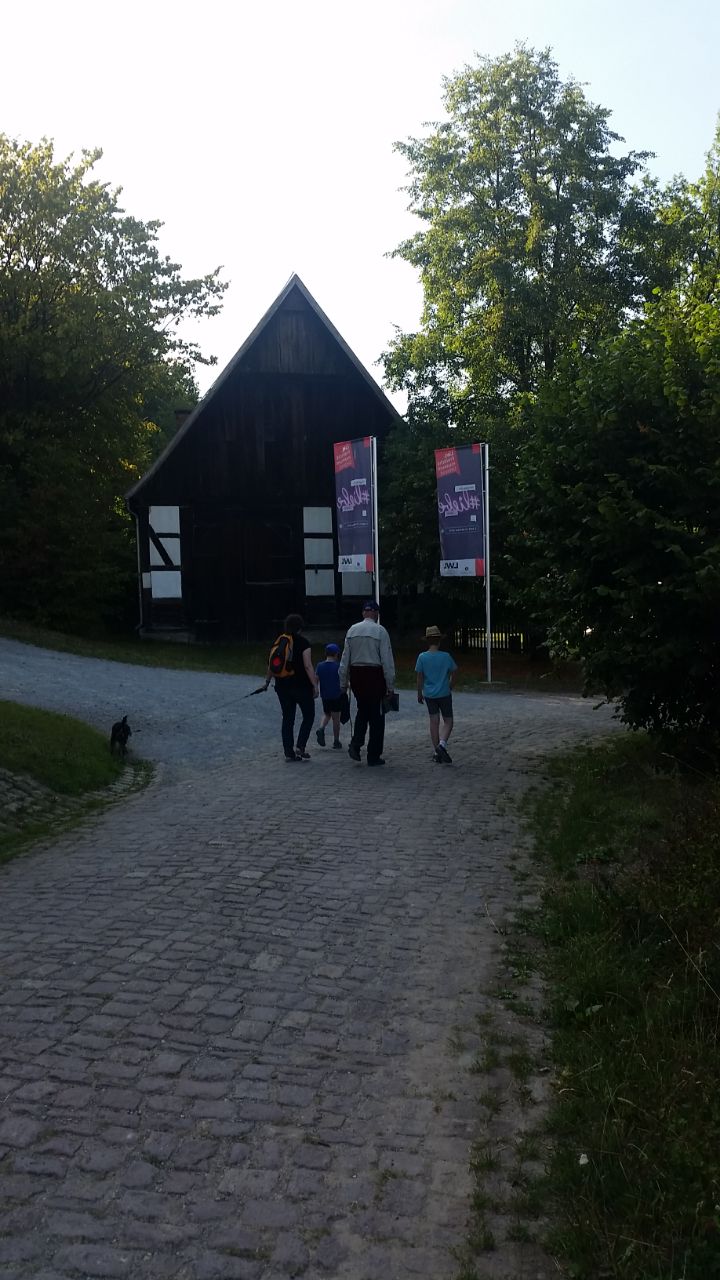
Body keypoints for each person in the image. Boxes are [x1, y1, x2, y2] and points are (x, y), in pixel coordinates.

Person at [339, 600, 396, 767]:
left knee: (363, 710)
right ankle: (373, 754)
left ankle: (356, 743)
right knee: (377, 716)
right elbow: (387, 660)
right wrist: (390, 685)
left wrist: (343, 682)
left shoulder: (352, 630)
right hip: (375, 675)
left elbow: (344, 659)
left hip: (357, 675)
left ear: (363, 613)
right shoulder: (380, 631)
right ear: (376, 614)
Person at [264, 613, 319, 761]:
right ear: (300, 627)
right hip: (301, 686)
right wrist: (315, 685)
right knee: (308, 716)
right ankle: (300, 746)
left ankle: (288, 752)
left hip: (282, 686)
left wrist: (267, 682)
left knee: (288, 718)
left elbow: (272, 664)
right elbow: (307, 666)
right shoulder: (303, 643)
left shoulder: (279, 641)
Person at [415, 625, 458, 763]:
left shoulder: (422, 657)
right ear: (439, 641)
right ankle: (442, 745)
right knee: (448, 721)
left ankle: (436, 752)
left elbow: (419, 677)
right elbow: (454, 672)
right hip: (444, 693)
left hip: (429, 695)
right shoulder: (446, 656)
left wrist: (419, 693)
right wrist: (450, 684)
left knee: (434, 722)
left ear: (427, 642)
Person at [315, 643, 344, 750]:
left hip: (325, 695)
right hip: (336, 695)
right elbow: (343, 681)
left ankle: (321, 728)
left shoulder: (320, 665)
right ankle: (336, 741)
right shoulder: (338, 666)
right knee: (336, 718)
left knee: (327, 714)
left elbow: (316, 679)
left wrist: (316, 689)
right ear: (336, 654)